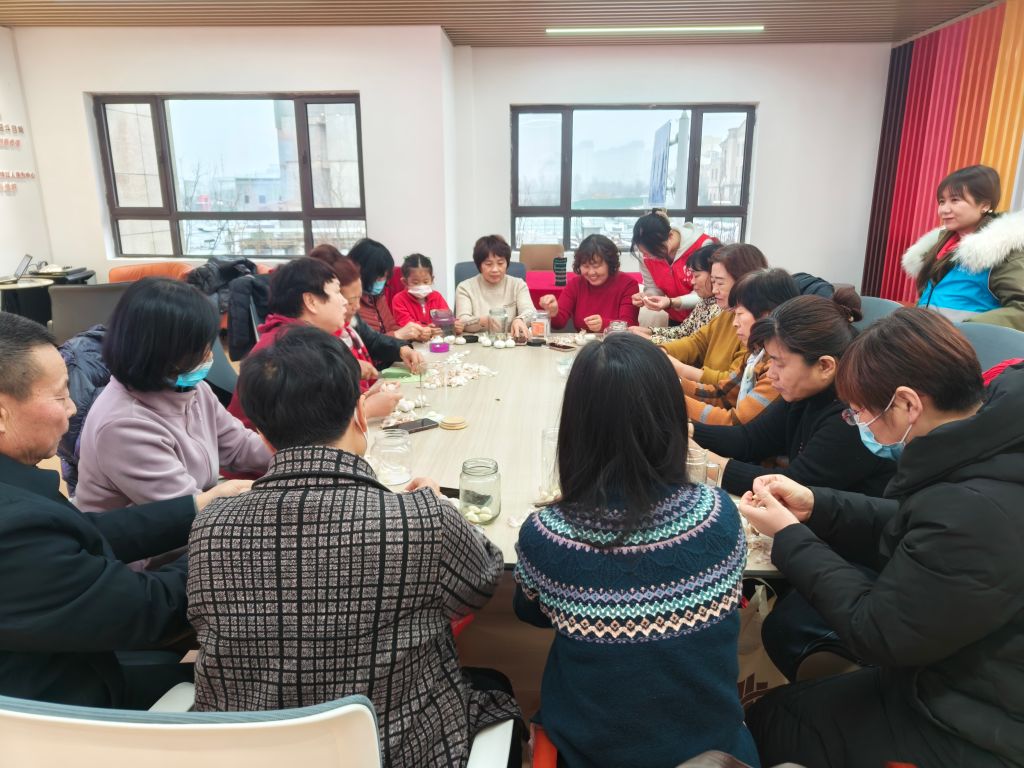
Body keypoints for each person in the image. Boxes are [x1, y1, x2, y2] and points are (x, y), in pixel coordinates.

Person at [188, 325, 522, 768]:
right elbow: (483, 582)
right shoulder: (421, 519)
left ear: (263, 437)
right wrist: (441, 509)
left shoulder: (210, 526)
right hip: (399, 750)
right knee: (493, 688)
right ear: (360, 415)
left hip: (249, 754)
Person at [739, 309, 1023, 768]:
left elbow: (876, 630)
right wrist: (817, 505)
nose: (860, 424)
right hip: (954, 662)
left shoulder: (973, 506)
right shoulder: (992, 438)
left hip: (978, 718)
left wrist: (789, 535)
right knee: (780, 709)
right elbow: (916, 525)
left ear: (908, 404)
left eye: (862, 413)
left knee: (776, 725)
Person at [514, 333, 757, 768]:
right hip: (717, 752)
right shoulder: (717, 513)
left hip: (594, 755)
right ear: (672, 419)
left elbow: (529, 612)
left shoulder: (548, 535)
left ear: (575, 427)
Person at [0, 312, 248, 707]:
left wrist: (199, 507)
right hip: (65, 707)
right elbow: (149, 610)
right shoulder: (15, 530)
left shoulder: (21, 502)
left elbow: (81, 534)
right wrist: (233, 540)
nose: (72, 409)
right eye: (61, 395)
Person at [75, 278, 270, 513]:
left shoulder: (191, 389)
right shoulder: (124, 425)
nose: (209, 355)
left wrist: (298, 459)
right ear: (162, 353)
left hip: (195, 509)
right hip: (155, 533)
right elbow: (183, 510)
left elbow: (238, 445)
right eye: (200, 348)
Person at [692, 294, 894, 497]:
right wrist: (686, 431)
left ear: (825, 366)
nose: (771, 373)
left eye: (779, 363)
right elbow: (749, 439)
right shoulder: (805, 392)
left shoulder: (854, 417)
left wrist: (700, 460)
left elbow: (792, 486)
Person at [227, 257, 404, 426]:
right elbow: (311, 429)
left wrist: (365, 396)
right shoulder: (288, 351)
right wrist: (366, 409)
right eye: (337, 292)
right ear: (311, 301)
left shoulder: (304, 338)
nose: (344, 301)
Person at [902, 164, 1024, 330]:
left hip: (967, 344)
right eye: (942, 201)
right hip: (928, 340)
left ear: (985, 205)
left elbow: (1021, 309)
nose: (944, 210)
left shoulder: (1001, 249)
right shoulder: (939, 245)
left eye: (955, 200)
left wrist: (968, 330)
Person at [687, 268, 800, 425]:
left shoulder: (777, 367)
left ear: (767, 316)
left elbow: (735, 422)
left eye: (739, 314)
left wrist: (674, 399)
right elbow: (722, 394)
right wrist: (675, 384)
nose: (735, 323)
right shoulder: (756, 353)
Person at [661, 244, 769, 400]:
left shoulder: (754, 325)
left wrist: (680, 369)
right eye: (713, 282)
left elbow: (731, 384)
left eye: (720, 283)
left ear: (744, 280)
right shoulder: (726, 313)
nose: (714, 290)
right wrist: (662, 351)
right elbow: (696, 343)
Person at [308, 243, 425, 375]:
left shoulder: (356, 315)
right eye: (351, 300)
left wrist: (402, 349)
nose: (357, 306)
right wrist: (353, 368)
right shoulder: (310, 342)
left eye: (359, 298)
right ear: (311, 301)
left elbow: (372, 339)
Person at [538, 235, 640, 332]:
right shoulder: (575, 284)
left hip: (618, 342)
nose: (591, 272)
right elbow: (559, 324)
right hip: (583, 342)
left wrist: (604, 324)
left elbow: (629, 325)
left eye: (596, 266)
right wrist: (553, 312)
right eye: (585, 266)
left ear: (610, 264)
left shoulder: (628, 285)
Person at [630, 209, 715, 323]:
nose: (648, 257)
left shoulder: (702, 246)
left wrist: (672, 302)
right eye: (644, 252)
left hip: (704, 318)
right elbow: (653, 287)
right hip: (675, 318)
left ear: (670, 236)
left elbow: (706, 292)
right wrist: (647, 297)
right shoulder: (646, 255)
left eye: (653, 251)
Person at [631, 241, 723, 341]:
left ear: (714, 275)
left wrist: (649, 338)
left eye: (696, 276)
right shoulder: (704, 302)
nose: (692, 281)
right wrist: (649, 331)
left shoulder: (721, 309)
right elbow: (683, 330)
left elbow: (695, 346)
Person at [348, 238, 432, 340]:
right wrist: (397, 335)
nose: (382, 282)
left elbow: (391, 327)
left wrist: (413, 334)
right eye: (378, 277)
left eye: (385, 276)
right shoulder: (350, 302)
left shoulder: (379, 296)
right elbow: (363, 343)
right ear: (362, 273)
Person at [455, 234, 532, 337]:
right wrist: (483, 321)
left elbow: (530, 312)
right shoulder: (465, 287)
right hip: (478, 342)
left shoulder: (518, 285)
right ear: (479, 265)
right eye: (488, 264)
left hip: (511, 341)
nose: (495, 269)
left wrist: (520, 319)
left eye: (500, 263)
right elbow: (462, 321)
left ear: (507, 263)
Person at [391, 253, 463, 332]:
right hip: (413, 339)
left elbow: (447, 318)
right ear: (405, 282)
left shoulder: (437, 296)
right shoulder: (399, 299)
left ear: (432, 279)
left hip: (438, 338)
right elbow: (407, 325)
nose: (421, 286)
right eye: (415, 283)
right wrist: (427, 328)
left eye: (425, 282)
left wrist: (455, 325)